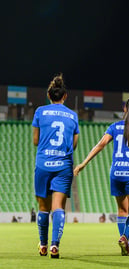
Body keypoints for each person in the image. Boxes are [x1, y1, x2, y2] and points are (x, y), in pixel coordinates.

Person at [74, 98, 129, 256]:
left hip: (116, 173)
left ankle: (124, 245)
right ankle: (125, 238)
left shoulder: (114, 127)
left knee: (122, 210)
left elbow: (100, 144)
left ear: (124, 109)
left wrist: (84, 163)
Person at [32, 73, 79, 258]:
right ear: (65, 96)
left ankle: (43, 244)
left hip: (43, 163)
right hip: (63, 165)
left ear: (48, 95)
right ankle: (54, 246)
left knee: (44, 207)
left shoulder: (40, 112)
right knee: (58, 206)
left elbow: (36, 140)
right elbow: (74, 145)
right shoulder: (73, 115)